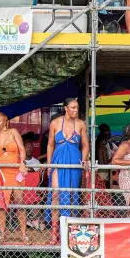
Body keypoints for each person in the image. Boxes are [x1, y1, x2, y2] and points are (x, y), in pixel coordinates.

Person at [47, 99, 88, 234]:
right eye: (73, 107)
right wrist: (49, 165)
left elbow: (85, 145)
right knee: (56, 194)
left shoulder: (81, 124)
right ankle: (54, 232)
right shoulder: (55, 123)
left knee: (72, 195)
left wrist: (83, 160)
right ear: (66, 108)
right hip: (58, 161)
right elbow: (51, 145)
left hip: (74, 162)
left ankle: (71, 232)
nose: (76, 110)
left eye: (77, 107)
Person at [0, 112, 28, 241]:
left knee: (19, 202)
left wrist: (22, 164)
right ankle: (2, 234)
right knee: (1, 204)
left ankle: (23, 234)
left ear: (5, 122)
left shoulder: (13, 132)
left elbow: (22, 149)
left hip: (15, 171)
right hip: (0, 173)